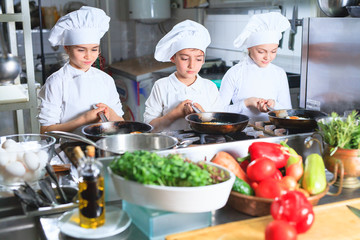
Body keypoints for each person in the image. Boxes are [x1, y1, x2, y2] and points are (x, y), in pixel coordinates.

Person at [38, 6, 124, 134]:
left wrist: (109, 112)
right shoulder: (56, 82)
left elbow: (121, 123)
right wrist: (84, 119)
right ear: (67, 48)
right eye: (81, 50)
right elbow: (45, 131)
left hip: (102, 145)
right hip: (68, 149)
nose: (88, 56)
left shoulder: (106, 80)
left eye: (94, 49)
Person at [143, 20, 223, 132]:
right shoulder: (161, 86)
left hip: (203, 146)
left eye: (198, 59)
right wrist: (175, 113)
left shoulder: (210, 87)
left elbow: (219, 125)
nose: (192, 65)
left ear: (203, 59)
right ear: (173, 58)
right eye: (185, 58)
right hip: (172, 146)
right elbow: (150, 128)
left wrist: (203, 116)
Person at [219, 12, 292, 121]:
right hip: (241, 132)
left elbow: (288, 112)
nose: (268, 57)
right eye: (261, 51)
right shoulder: (235, 73)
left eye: (273, 51)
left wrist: (274, 105)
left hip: (273, 131)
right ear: (249, 48)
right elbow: (219, 112)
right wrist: (246, 103)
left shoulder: (279, 73)